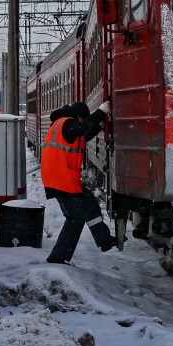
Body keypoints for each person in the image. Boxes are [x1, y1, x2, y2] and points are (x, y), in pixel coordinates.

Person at [42, 100, 115, 264]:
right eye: (83, 119)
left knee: (90, 205)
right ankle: (58, 257)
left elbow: (84, 135)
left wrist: (99, 127)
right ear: (78, 117)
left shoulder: (67, 127)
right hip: (60, 179)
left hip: (66, 179)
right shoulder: (65, 123)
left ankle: (104, 240)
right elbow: (82, 128)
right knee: (75, 218)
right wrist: (101, 112)